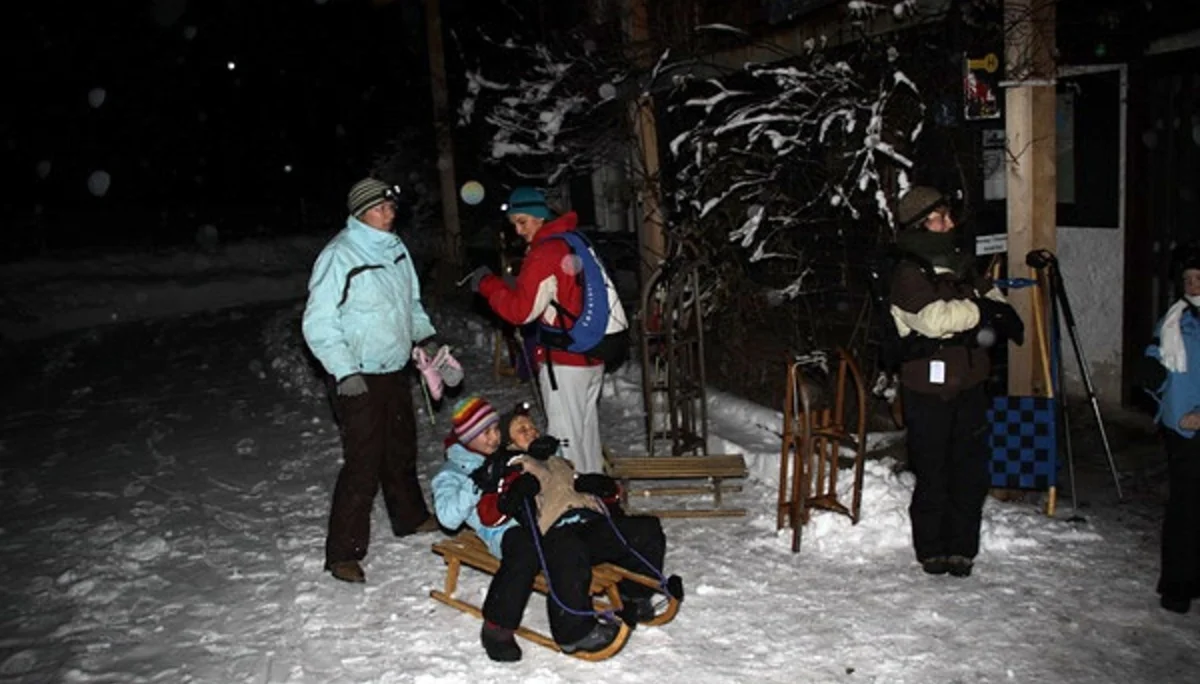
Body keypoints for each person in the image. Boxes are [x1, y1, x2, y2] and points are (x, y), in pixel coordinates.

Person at [302, 177, 440, 584]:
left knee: (401, 446)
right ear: (360, 213)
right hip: (357, 375)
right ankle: (343, 553)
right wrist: (343, 369)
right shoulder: (339, 255)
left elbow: (410, 303)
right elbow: (318, 322)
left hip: (394, 368)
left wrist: (424, 337)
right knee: (363, 461)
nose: (389, 213)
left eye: (391, 207)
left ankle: (410, 516)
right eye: (380, 208)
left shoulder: (396, 248)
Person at [889, 185, 1023, 579]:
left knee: (969, 472)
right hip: (927, 389)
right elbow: (934, 321)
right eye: (939, 218)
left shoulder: (963, 264)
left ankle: (962, 549)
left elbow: (998, 305)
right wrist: (979, 311)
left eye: (948, 215)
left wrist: (978, 311)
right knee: (933, 472)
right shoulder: (907, 271)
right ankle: (932, 549)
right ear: (919, 224)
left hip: (970, 384)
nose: (949, 224)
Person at [431, 397, 627, 661]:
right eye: (485, 433)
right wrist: (477, 483)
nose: (494, 438)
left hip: (544, 516)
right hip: (503, 528)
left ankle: (610, 601)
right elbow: (448, 518)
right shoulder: (454, 471)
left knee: (577, 538)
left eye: (495, 430)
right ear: (467, 438)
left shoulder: (504, 452)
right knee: (527, 550)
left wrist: (545, 452)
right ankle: (497, 628)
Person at [466, 187, 619, 474]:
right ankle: (596, 492)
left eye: (522, 221)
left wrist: (488, 285)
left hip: (564, 360)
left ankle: (571, 498)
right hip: (593, 351)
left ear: (539, 217)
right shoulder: (574, 240)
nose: (518, 230)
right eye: (514, 224)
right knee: (586, 437)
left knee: (564, 444)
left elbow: (520, 312)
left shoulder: (545, 252)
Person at [1143, 242, 1200, 614]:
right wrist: (1152, 376)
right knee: (1183, 507)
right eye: (1188, 279)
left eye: (1199, 279)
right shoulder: (1174, 318)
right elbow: (1156, 355)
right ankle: (1178, 584)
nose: (1192, 285)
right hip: (1178, 427)